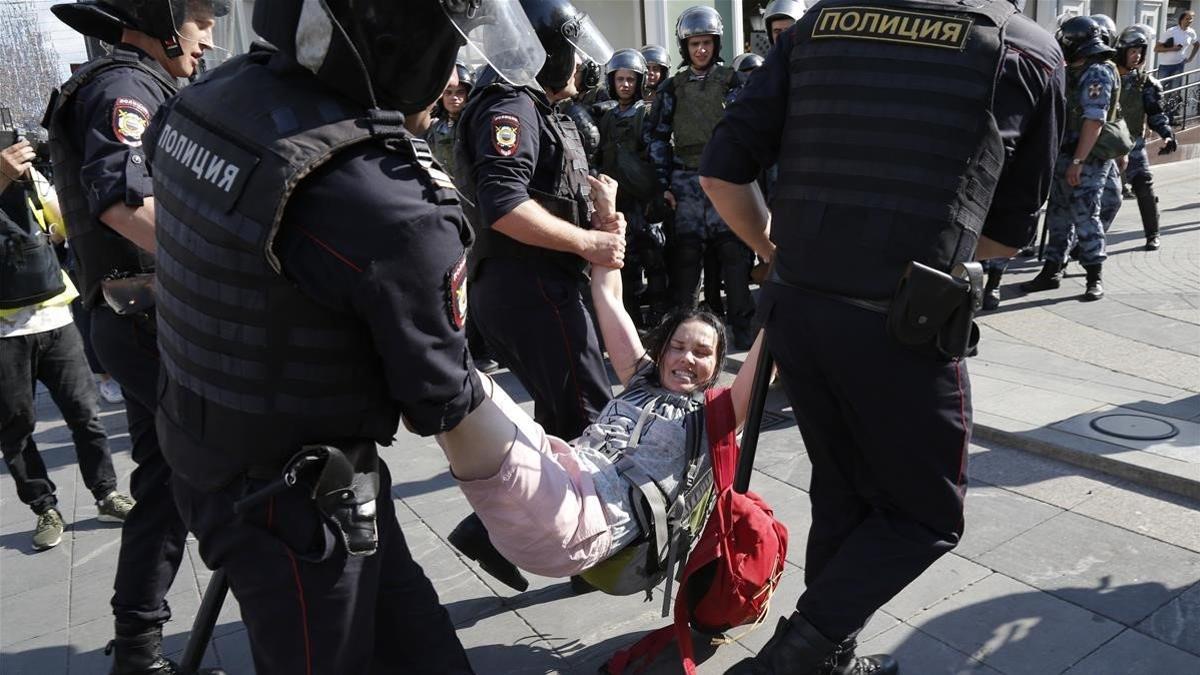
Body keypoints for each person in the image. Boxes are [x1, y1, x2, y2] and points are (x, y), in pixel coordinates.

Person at [147, 0, 548, 672]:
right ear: (396, 42)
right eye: (445, 46)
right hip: (289, 506)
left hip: (208, 439)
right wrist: (553, 492)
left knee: (421, 646)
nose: (451, 71)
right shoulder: (391, 204)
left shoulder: (210, 98)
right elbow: (440, 401)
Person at [699, 0, 1063, 671]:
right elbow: (1009, 236)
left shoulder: (817, 26)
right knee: (927, 514)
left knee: (843, 488)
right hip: (901, 320)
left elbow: (721, 173)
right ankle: (795, 656)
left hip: (796, 310)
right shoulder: (1027, 49)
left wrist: (776, 250)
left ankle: (829, 657)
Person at [436, 172, 764, 580]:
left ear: (717, 365)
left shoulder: (716, 417)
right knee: (454, 388)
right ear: (661, 352)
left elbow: (769, 352)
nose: (687, 359)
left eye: (702, 353)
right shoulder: (642, 376)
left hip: (579, 522)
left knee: (452, 383)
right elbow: (608, 295)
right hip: (551, 478)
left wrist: (788, 274)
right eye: (678, 347)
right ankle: (483, 528)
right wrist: (607, 212)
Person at [45, 1, 226, 671]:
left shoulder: (135, 81)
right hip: (149, 316)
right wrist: (234, 262)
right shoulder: (124, 86)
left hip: (136, 316)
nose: (208, 36)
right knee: (233, 467)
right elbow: (123, 203)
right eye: (202, 17)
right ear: (161, 10)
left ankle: (138, 644)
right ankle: (286, 614)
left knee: (168, 478)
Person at [449, 0, 618, 593]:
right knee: (590, 417)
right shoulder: (510, 103)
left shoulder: (534, 105)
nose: (578, 63)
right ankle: (590, 558)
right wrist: (591, 241)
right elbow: (503, 205)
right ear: (547, 49)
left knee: (560, 420)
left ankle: (493, 531)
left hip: (535, 284)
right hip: (530, 285)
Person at [1, 136, 133, 551]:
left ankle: (106, 493)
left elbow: (60, 227)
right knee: (16, 426)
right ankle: (44, 506)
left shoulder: (28, 176)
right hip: (4, 333)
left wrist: (26, 181)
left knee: (85, 414)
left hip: (55, 316)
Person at [645, 5, 756, 350]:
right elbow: (657, 137)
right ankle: (685, 335)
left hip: (725, 180)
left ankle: (745, 332)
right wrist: (664, 186)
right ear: (685, 47)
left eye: (706, 43)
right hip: (686, 181)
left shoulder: (732, 81)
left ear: (716, 43)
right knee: (688, 258)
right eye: (694, 44)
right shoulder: (672, 88)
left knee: (734, 257)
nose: (701, 50)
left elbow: (747, 130)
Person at [1022, 15, 1117, 302]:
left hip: (1085, 159)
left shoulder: (1098, 72)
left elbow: (1094, 120)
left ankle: (1093, 276)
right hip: (1063, 153)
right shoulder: (1073, 68)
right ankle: (1052, 270)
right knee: (1058, 215)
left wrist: (1078, 161)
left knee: (1086, 214)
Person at [595, 48, 666, 330]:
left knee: (655, 258)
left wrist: (658, 193)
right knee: (627, 264)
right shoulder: (605, 116)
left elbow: (658, 155)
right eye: (619, 79)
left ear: (640, 82)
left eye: (630, 79)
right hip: (618, 202)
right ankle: (631, 320)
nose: (624, 84)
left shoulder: (646, 114)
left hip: (643, 200)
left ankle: (660, 318)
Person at [1114, 24, 1179, 250]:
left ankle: (1153, 234)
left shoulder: (1145, 83)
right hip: (1104, 146)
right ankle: (1083, 244)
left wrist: (1167, 135)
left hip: (1134, 144)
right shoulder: (1104, 76)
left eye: (1141, 51)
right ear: (1121, 50)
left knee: (1144, 186)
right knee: (1103, 196)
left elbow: (1155, 114)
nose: (1138, 55)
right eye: (1133, 50)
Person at [1155, 10, 1197, 81]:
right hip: (1165, 65)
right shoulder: (1171, 31)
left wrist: (1190, 58)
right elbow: (1156, 49)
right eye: (1187, 19)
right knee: (1160, 88)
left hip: (1179, 65)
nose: (1189, 21)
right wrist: (1172, 48)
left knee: (1175, 90)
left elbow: (1197, 45)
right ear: (1181, 19)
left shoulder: (1191, 32)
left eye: (1191, 19)